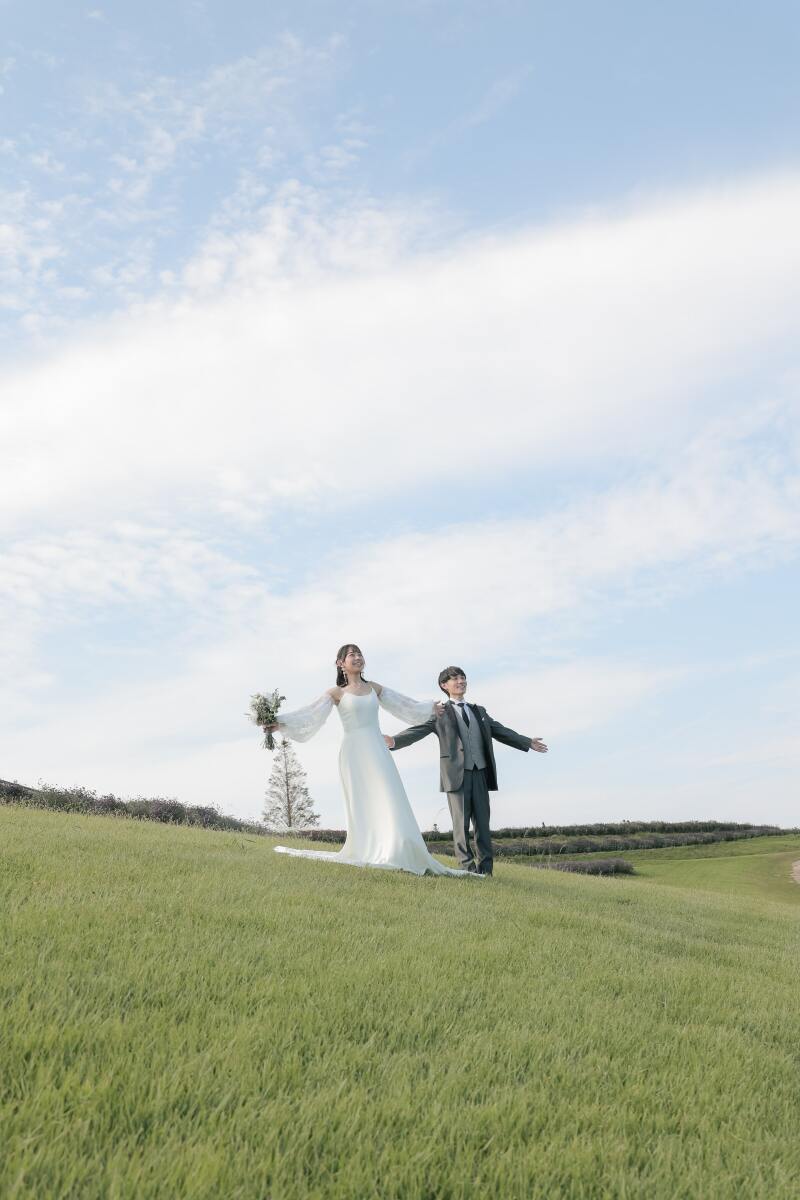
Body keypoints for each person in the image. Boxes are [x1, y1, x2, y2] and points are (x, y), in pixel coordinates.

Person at [263, 645, 474, 877]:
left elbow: (404, 704)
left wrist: (429, 708)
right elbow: (309, 714)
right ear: (340, 663)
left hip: (376, 748)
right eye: (352, 655)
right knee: (363, 801)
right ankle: (370, 847)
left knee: (389, 794)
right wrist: (279, 722)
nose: (358, 657)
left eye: (360, 654)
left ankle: (398, 847)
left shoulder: (373, 688)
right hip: (353, 752)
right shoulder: (336, 693)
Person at [386, 666, 548, 875]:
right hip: (456, 775)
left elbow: (500, 730)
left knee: (482, 824)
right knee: (461, 825)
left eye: (463, 678)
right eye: (455, 679)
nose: (460, 681)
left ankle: (486, 871)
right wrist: (394, 741)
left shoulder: (479, 711)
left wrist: (527, 742)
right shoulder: (440, 712)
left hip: (480, 773)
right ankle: (467, 869)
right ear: (444, 685)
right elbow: (418, 730)